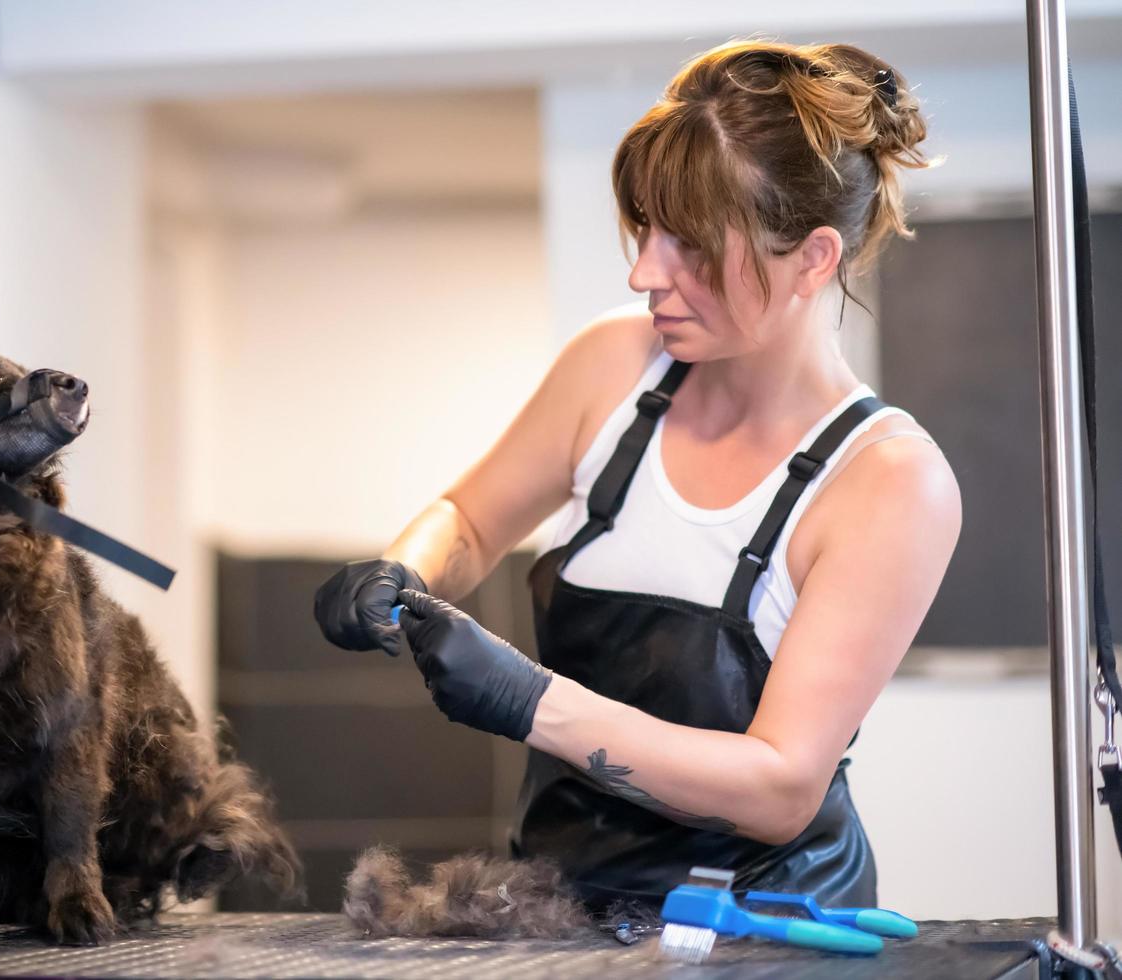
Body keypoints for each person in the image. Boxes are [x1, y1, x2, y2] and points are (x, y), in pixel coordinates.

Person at [313, 40, 960, 909]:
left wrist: (533, 703)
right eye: (647, 226)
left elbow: (778, 787)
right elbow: (469, 521)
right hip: (558, 906)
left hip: (765, 927)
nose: (643, 271)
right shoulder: (615, 364)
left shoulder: (888, 482)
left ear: (811, 259)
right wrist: (405, 570)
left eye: (690, 245)